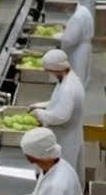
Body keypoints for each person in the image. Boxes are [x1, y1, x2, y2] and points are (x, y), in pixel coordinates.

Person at [31, 49, 85, 181]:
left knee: (58, 178)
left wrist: (40, 114)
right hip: (67, 134)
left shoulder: (68, 87)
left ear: (56, 69)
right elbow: (60, 102)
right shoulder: (68, 79)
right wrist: (42, 105)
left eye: (49, 70)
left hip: (65, 139)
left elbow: (61, 116)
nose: (49, 74)